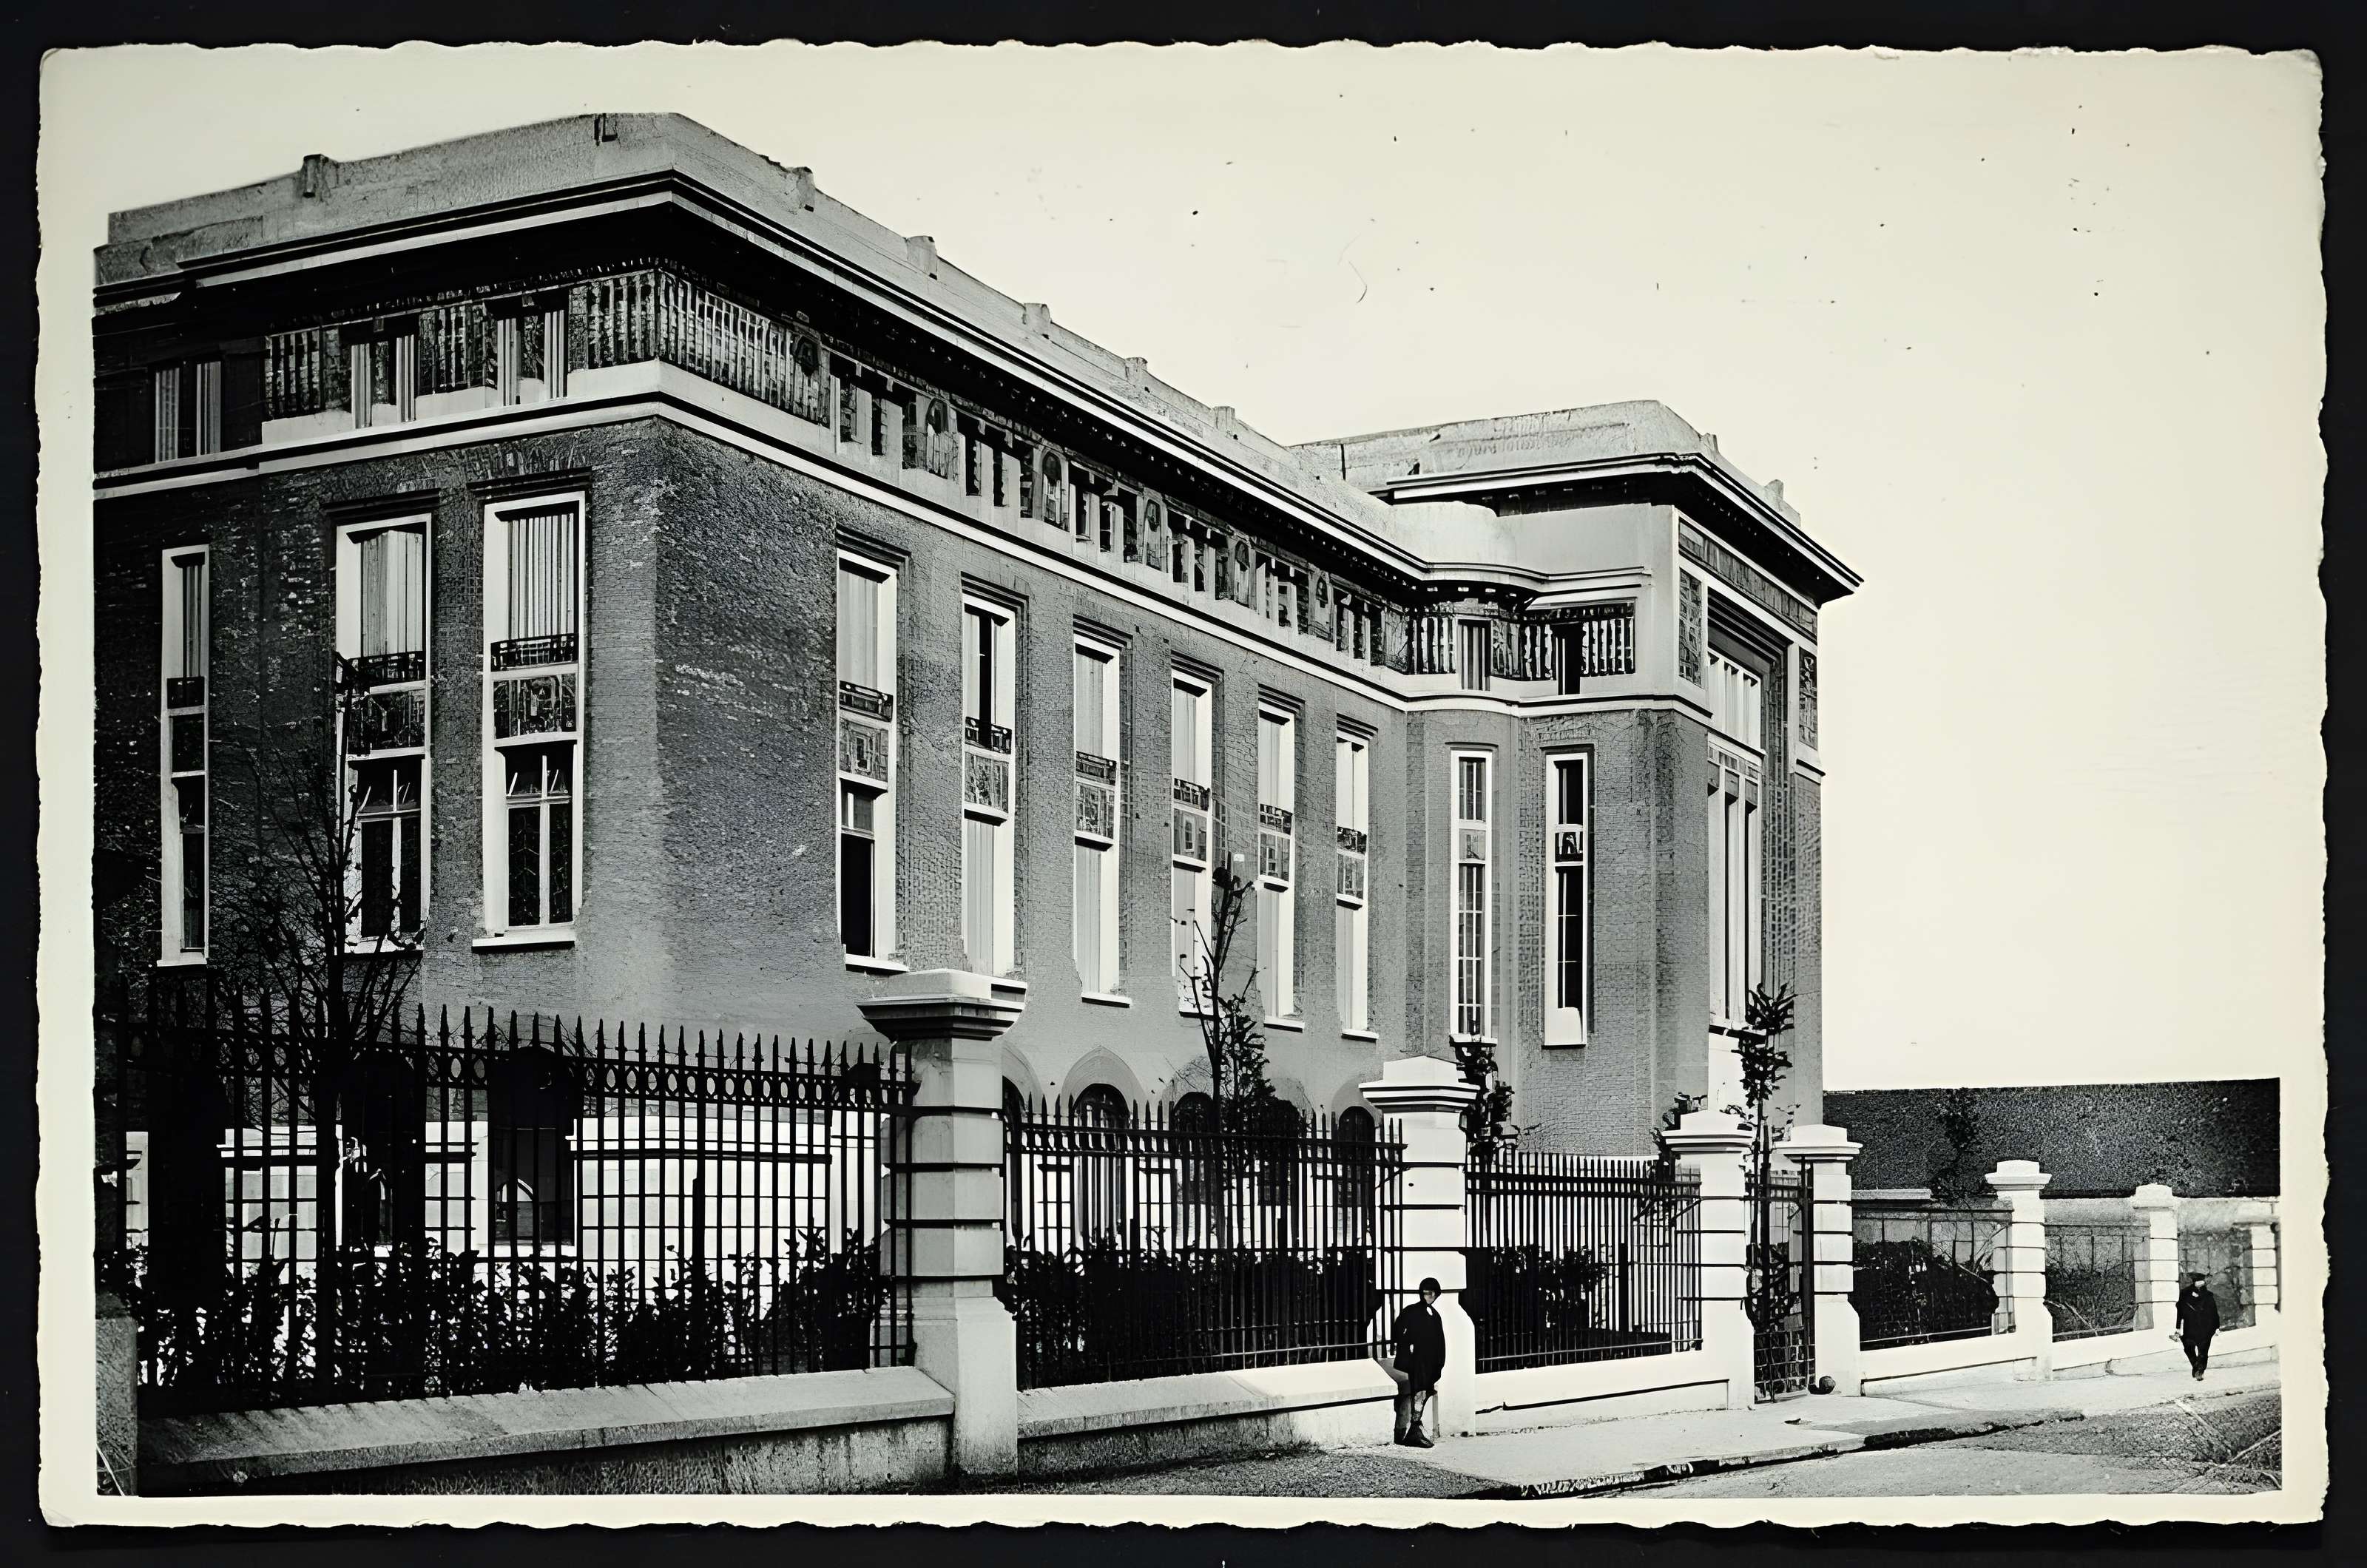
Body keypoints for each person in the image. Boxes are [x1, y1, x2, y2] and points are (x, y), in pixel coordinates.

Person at [1390, 1277, 1448, 1447]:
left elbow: (1439, 1340)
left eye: (1433, 1293)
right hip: (1418, 1362)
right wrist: (1409, 1345)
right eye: (1426, 1293)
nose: (1430, 1296)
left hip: (1430, 1363)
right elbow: (1399, 1331)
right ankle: (1414, 1429)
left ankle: (1416, 1428)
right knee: (1419, 1392)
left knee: (1424, 1392)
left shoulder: (1435, 1315)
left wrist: (1439, 1362)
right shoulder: (1412, 1311)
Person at [2174, 1270, 2221, 1380]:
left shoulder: (2209, 1296)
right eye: (2198, 1281)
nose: (2201, 1283)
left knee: (2203, 1351)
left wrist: (2217, 1327)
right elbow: (2179, 1311)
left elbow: (2214, 1312)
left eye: (2202, 1281)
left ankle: (2200, 1370)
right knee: (2188, 1349)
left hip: (2206, 1328)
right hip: (2189, 1327)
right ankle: (2196, 1365)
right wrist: (2177, 1327)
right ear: (2194, 1282)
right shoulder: (2185, 1294)